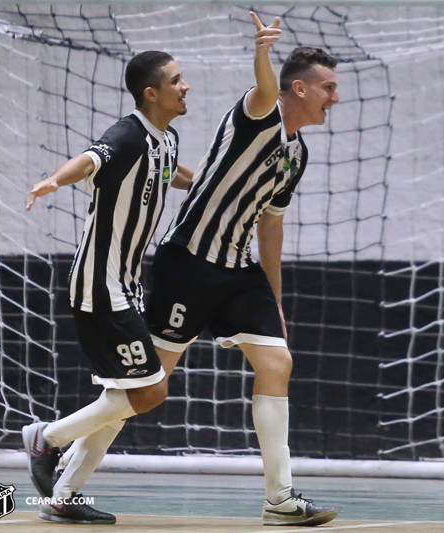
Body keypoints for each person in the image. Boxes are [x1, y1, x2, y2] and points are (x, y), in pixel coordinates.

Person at [144, 12, 339, 527]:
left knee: (277, 364)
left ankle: (281, 499)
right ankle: (53, 453)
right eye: (327, 88)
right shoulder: (260, 113)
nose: (334, 97)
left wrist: (274, 297)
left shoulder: (297, 153)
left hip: (238, 269)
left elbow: (271, 226)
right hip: (186, 261)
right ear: (299, 88)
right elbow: (265, 86)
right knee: (149, 387)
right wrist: (263, 50)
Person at [22, 50, 193, 525]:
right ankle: (45, 438)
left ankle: (62, 496)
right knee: (151, 391)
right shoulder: (126, 135)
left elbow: (174, 171)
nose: (186, 87)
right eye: (177, 81)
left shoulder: (167, 139)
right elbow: (91, 159)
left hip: (127, 284)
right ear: (151, 93)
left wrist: (209, 189)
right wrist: (54, 181)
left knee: (123, 399)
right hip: (101, 286)